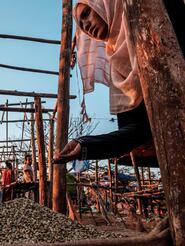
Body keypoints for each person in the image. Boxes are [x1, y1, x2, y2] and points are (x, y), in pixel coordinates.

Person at [54, 0, 152, 164]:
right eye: (81, 24)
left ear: (105, 4)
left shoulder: (151, 24)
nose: (85, 26)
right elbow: (137, 133)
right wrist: (84, 145)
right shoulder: (117, 69)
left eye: (86, 14)